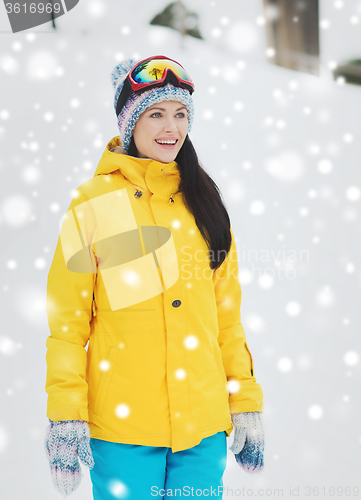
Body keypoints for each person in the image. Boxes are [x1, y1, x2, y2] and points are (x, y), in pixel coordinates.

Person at [44, 55, 265, 499]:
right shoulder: (94, 203)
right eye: (156, 114)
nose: (172, 128)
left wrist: (244, 401)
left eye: (181, 115)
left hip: (201, 430)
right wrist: (67, 412)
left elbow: (226, 320)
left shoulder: (203, 203)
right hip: (124, 431)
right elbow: (67, 324)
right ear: (130, 124)